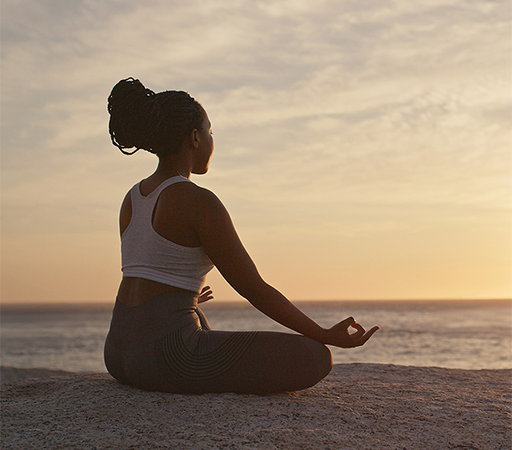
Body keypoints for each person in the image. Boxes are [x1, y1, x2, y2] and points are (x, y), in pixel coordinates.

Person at [104, 77, 379, 394]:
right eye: (210, 131)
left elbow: (150, 273)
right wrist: (324, 334)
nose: (211, 140)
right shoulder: (199, 201)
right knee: (315, 357)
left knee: (197, 316)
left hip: (117, 354)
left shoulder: (133, 198)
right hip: (167, 357)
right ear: (194, 137)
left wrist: (188, 300)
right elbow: (254, 288)